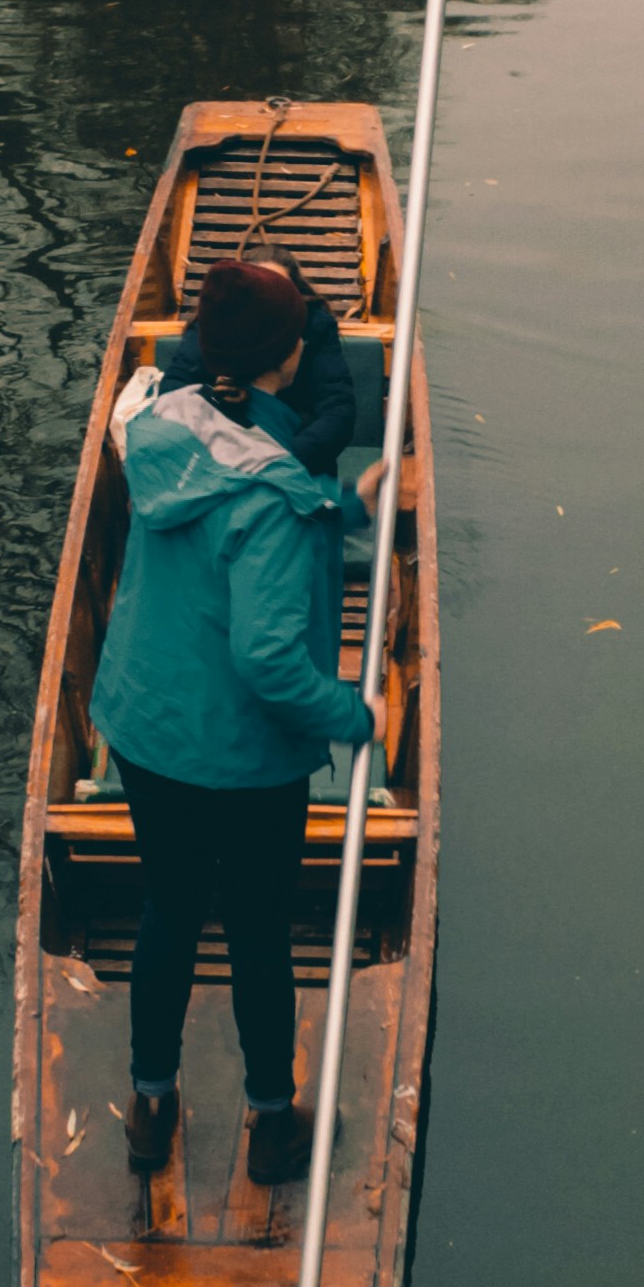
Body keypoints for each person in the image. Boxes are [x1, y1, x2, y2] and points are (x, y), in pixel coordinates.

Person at [90, 254, 386, 1186]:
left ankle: (149, 1105)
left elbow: (238, 497)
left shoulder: (156, 431)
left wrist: (343, 504)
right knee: (257, 928)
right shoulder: (279, 499)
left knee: (169, 910)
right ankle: (270, 1121)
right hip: (243, 757)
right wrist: (353, 715)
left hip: (145, 731)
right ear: (291, 356)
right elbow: (267, 660)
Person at [154, 245, 356, 474]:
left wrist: (280, 465)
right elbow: (176, 387)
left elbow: (338, 409)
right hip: (224, 448)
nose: (266, 303)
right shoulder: (216, 328)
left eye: (279, 292)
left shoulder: (315, 325)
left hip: (295, 449)